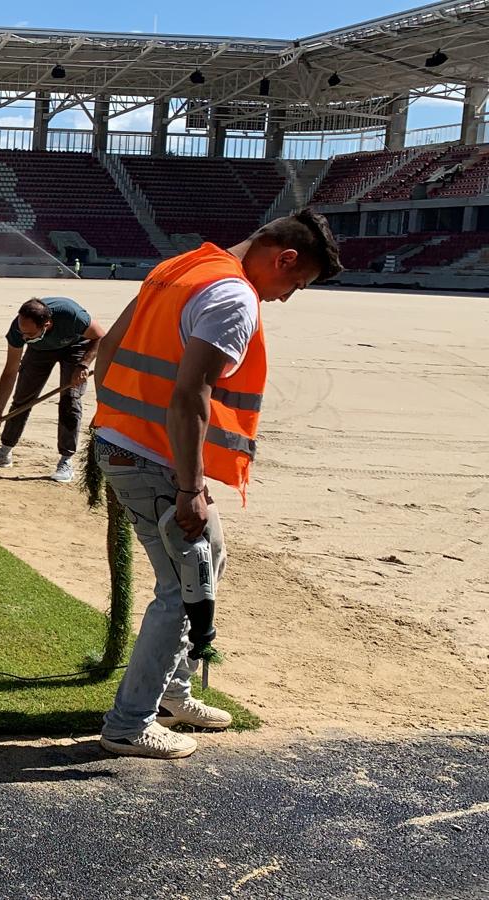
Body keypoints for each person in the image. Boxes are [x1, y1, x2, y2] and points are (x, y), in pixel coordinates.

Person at [92, 209, 342, 760]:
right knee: (185, 590)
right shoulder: (233, 296)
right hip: (158, 461)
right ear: (285, 258)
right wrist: (190, 489)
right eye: (294, 285)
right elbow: (190, 396)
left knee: (207, 565)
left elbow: (108, 348)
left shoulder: (182, 267)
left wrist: (111, 423)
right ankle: (130, 723)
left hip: (125, 444)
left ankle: (173, 695)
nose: (284, 298)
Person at [0, 297, 105, 482]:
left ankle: (66, 460)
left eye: (28, 334)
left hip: (76, 346)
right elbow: (10, 371)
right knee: (22, 399)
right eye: (22, 333)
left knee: (70, 399)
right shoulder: (18, 330)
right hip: (40, 350)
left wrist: (84, 365)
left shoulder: (72, 315)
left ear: (47, 324)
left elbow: (100, 336)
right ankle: (5, 452)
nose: (23, 337)